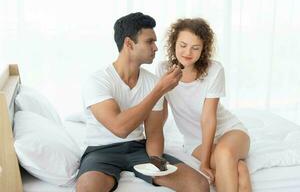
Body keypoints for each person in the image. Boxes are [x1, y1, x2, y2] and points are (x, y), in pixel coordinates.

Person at [76, 12, 209, 192]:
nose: (155, 48)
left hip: (138, 149)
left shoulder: (153, 82)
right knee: (87, 188)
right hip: (100, 151)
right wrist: (159, 90)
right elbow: (120, 128)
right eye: (149, 42)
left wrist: (155, 161)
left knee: (198, 184)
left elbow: (154, 133)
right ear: (129, 43)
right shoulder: (98, 81)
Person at [156, 18, 252, 192]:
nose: (187, 52)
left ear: (203, 49)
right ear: (173, 44)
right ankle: (240, 169)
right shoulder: (163, 70)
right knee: (237, 168)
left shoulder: (214, 70)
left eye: (195, 48)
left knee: (224, 153)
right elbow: (161, 112)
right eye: (183, 45)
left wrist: (205, 163)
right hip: (195, 142)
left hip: (229, 131)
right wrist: (152, 142)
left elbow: (208, 119)